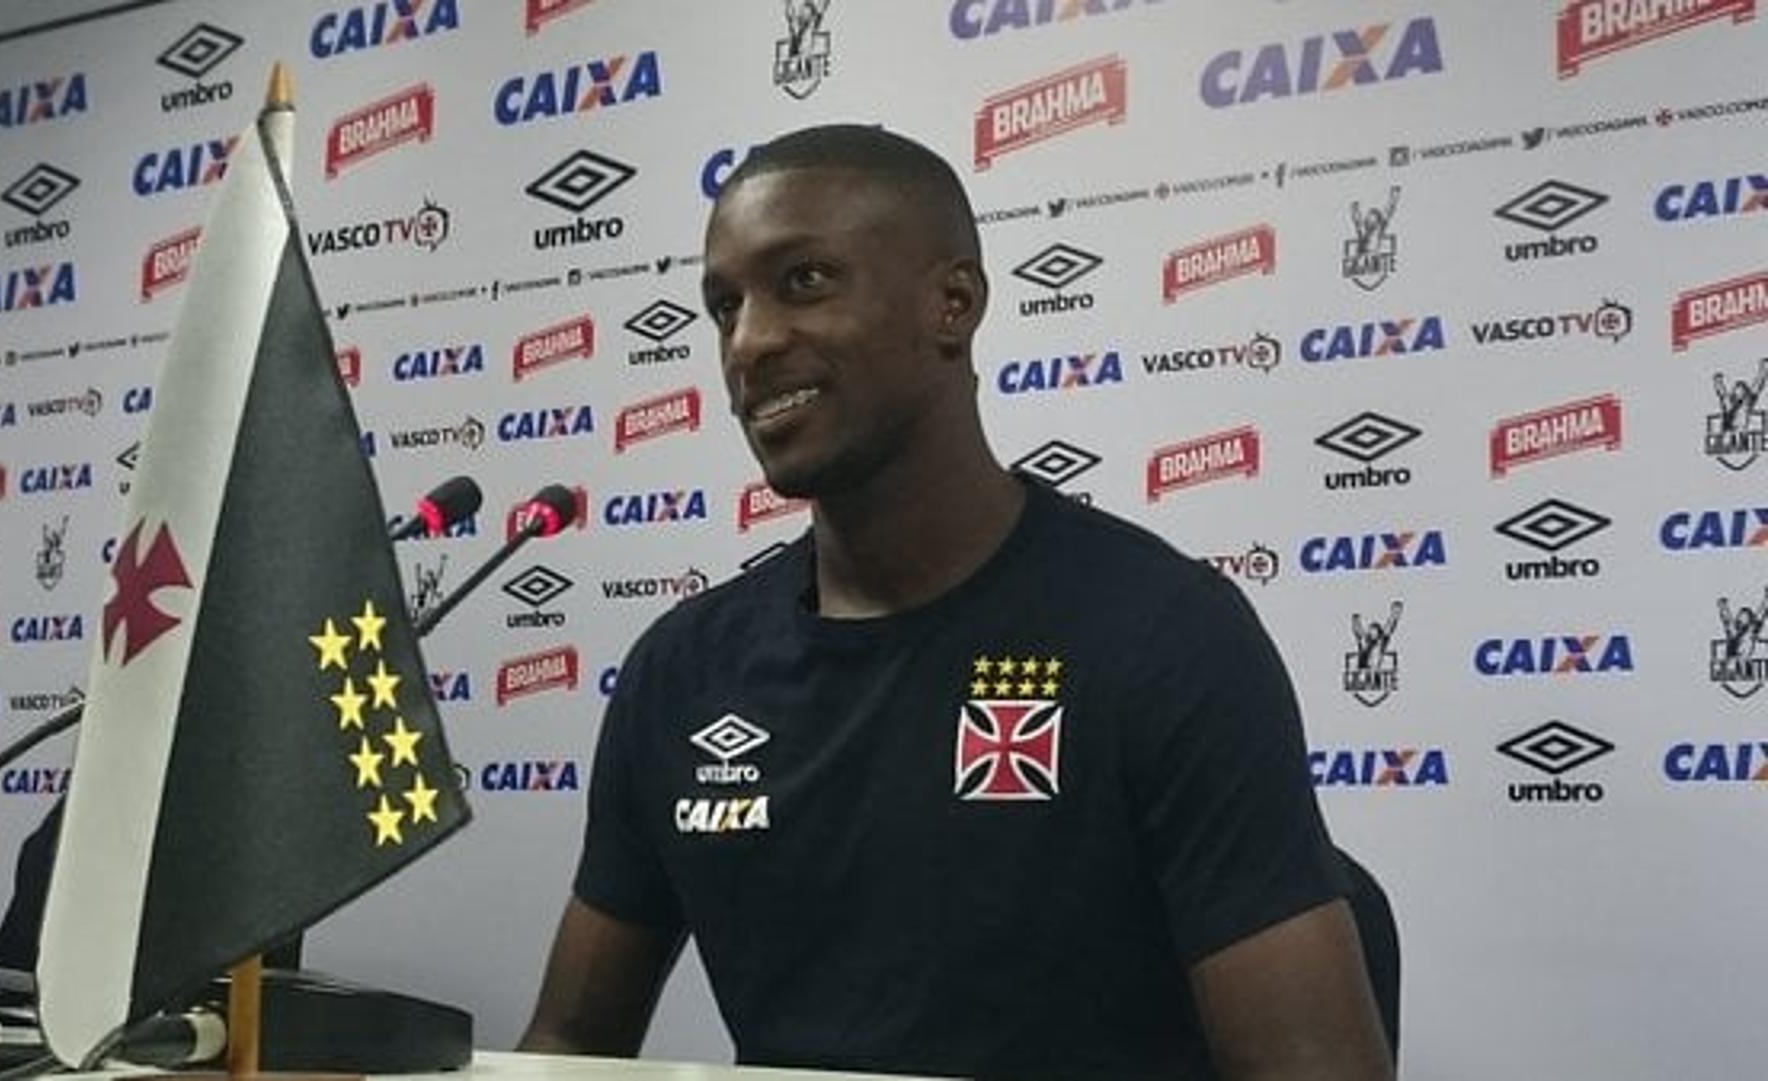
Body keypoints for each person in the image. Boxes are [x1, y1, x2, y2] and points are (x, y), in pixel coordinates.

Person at [518, 124, 1392, 1080]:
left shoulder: (1164, 636)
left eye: (803, 281)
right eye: (724, 307)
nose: (751, 343)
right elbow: (567, 1045)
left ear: (953, 303)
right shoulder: (681, 675)